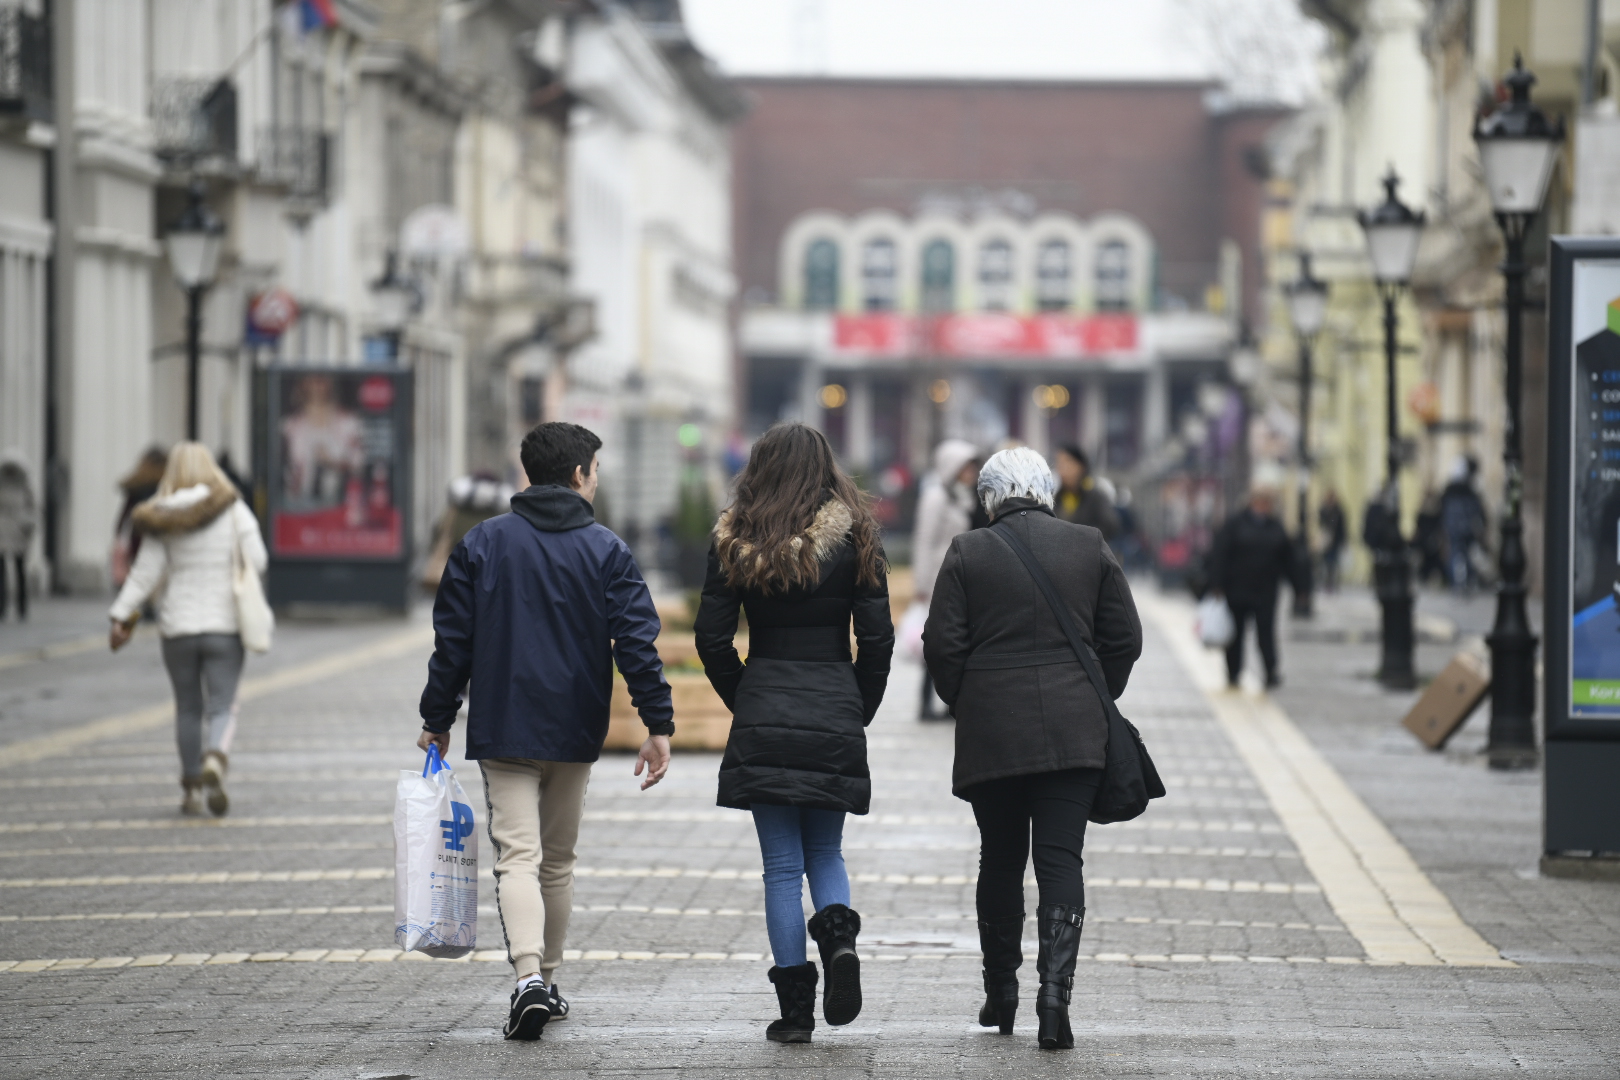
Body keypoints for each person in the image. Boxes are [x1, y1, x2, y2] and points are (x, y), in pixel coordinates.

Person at [418, 421, 673, 1043]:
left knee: (518, 857)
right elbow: (636, 642)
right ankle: (547, 982)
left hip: (503, 724)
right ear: (580, 474)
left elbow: (452, 643)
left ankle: (528, 978)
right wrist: (657, 723)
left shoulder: (483, 543)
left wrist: (437, 718)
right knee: (556, 862)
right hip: (574, 726)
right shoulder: (606, 549)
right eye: (596, 470)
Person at [922, 446, 1142, 1051]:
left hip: (993, 732)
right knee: (1060, 861)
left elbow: (942, 646)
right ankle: (1055, 1002)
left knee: (999, 858)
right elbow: (1126, 636)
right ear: (1046, 489)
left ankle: (1002, 995)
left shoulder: (968, 552)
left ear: (990, 496)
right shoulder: (1087, 543)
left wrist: (967, 698)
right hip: (1074, 734)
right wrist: (1096, 693)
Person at [694, 422, 893, 1044]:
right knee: (825, 852)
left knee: (781, 867)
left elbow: (710, 638)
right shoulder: (856, 534)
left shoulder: (735, 537)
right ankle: (839, 945)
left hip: (766, 703)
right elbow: (879, 637)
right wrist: (858, 704)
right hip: (834, 699)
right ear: (826, 468)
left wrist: (745, 696)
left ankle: (797, 1014)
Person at [108, 443, 266, 817]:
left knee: (188, 708)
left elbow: (144, 573)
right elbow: (257, 558)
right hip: (224, 625)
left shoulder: (162, 516)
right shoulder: (232, 508)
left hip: (177, 627)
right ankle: (216, 758)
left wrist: (121, 614)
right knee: (222, 704)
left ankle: (192, 790)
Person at [911, 438, 980, 719]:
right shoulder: (935, 496)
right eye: (967, 466)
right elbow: (923, 541)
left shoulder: (962, 496)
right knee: (936, 642)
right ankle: (926, 703)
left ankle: (950, 704)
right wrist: (921, 585)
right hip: (938, 578)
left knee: (955, 640)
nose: (972, 471)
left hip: (957, 578)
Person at [1208, 482, 1297, 689]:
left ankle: (1270, 671)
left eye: (1267, 503)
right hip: (1236, 589)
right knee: (1235, 636)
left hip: (1265, 591)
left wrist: (1299, 587)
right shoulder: (1234, 524)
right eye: (1260, 501)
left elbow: (1288, 558)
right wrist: (1216, 584)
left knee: (1265, 633)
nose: (1263, 506)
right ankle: (1233, 673)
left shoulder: (1276, 527)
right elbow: (1220, 555)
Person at [112, 447, 168, 589]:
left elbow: (125, 514)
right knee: (158, 568)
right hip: (161, 533)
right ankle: (151, 599)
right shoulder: (166, 486)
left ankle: (141, 598)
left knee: (139, 569)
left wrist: (118, 534)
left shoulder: (137, 485)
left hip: (138, 535)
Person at [1053, 445, 1119, 540]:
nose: (1062, 469)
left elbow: (1110, 526)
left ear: (1080, 466)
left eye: (1067, 462)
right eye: (1059, 464)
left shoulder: (1095, 496)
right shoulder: (1057, 498)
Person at [1440, 456, 1487, 591]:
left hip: (1455, 528)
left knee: (1458, 554)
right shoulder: (1468, 491)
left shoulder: (1451, 492)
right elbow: (1477, 510)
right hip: (1465, 528)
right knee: (1463, 554)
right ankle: (1464, 581)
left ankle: (1460, 582)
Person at [0, 455, 36, 620]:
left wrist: (28, 526)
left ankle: (22, 607)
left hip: (19, 533)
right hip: (2, 532)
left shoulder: (24, 488)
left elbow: (32, 510)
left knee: (20, 569)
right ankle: (2, 606)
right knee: (1, 571)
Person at [1317, 489, 1347, 593]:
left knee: (1333, 563)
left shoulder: (1338, 511)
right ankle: (1326, 582)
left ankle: (1332, 583)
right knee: (1326, 563)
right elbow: (1320, 523)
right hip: (1326, 540)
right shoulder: (1324, 510)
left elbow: (1342, 527)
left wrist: (1343, 540)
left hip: (1335, 541)